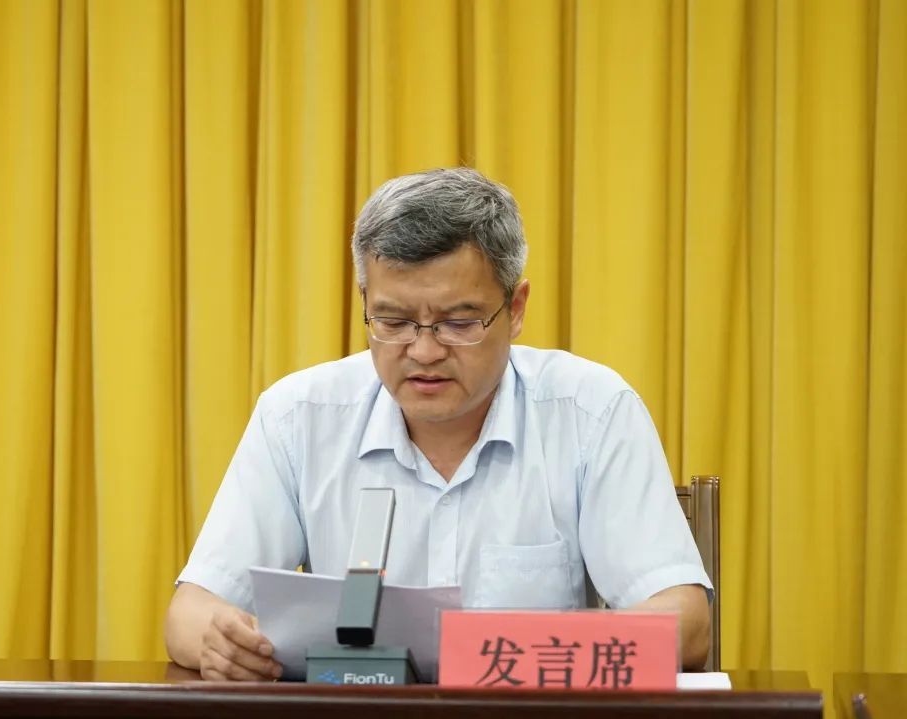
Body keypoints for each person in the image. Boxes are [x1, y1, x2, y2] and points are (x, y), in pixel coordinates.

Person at [164, 168, 712, 681]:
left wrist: (493, 656)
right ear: (364, 301)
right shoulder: (299, 416)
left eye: (458, 322)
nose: (424, 351)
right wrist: (225, 644)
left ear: (516, 308)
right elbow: (191, 613)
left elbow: (685, 625)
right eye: (393, 321)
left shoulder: (590, 411)